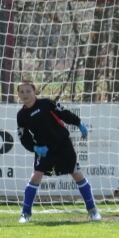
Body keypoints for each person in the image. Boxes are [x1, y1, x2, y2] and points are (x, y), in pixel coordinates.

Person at [15, 80, 101, 223]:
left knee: (77, 175)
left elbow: (64, 114)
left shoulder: (46, 104)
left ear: (35, 92)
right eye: (22, 92)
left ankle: (92, 211)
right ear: (18, 95)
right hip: (44, 149)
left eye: (28, 91)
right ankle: (25, 214)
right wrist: (35, 148)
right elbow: (24, 137)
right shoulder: (21, 115)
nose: (25, 94)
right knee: (35, 177)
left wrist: (78, 123)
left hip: (62, 145)